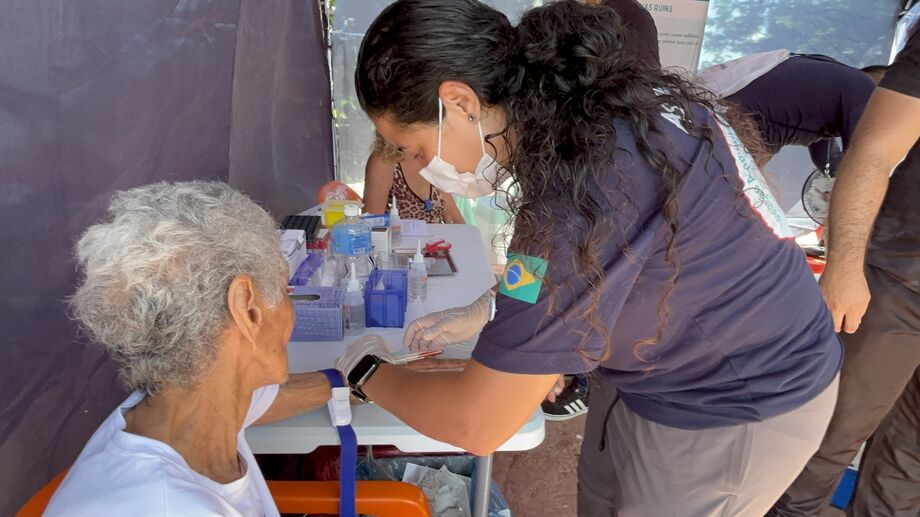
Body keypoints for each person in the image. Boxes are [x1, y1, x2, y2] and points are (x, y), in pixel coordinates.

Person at [340, 1, 842, 515]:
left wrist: (364, 371)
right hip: (658, 369)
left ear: (459, 101)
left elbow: (479, 423)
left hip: (734, 402)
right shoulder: (585, 123)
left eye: (417, 150)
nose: (422, 169)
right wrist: (491, 308)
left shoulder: (589, 178)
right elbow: (548, 264)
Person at [45, 182, 335, 516]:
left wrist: (352, 378)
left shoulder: (185, 403)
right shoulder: (170, 506)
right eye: (285, 289)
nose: (289, 309)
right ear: (247, 308)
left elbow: (270, 399)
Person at [769, 26, 920, 517]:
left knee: (909, 462)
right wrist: (844, 267)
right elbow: (872, 152)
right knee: (823, 439)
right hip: (899, 281)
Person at [720, 53, 876, 172]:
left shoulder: (830, 86)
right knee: (727, 196)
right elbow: (862, 166)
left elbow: (827, 161)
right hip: (742, 126)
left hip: (722, 112)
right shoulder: (867, 91)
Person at [364, 132, 465, 223]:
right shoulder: (384, 161)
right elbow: (372, 225)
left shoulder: (433, 157)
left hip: (437, 241)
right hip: (399, 242)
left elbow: (453, 217)